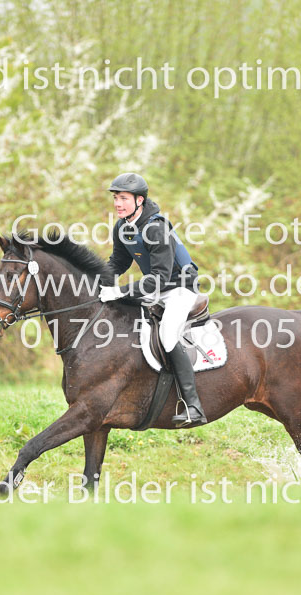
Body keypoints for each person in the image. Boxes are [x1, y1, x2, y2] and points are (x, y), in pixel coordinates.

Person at [98, 172, 207, 426]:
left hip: (180, 288)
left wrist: (119, 291)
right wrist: (96, 280)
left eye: (123, 198)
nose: (117, 204)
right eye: (115, 198)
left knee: (168, 334)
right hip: (158, 288)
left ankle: (193, 406)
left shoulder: (156, 228)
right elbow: (118, 262)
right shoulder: (122, 227)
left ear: (139, 200)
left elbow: (159, 278)